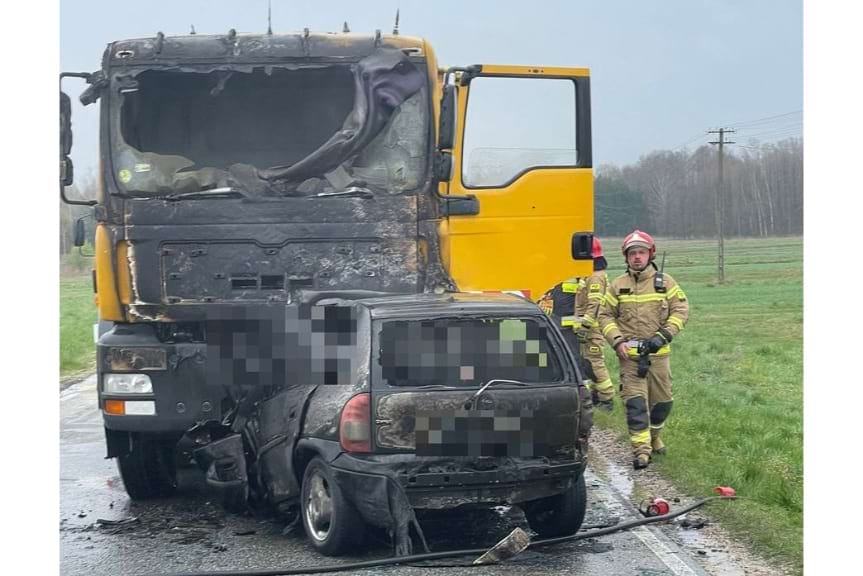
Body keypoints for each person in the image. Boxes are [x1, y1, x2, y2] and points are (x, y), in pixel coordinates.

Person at [598, 230, 689, 470]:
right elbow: (605, 316)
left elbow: (681, 311)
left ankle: (655, 435)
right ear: (626, 257)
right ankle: (641, 451)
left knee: (663, 404)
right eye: (632, 253)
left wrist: (664, 335)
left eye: (641, 252)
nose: (637, 257)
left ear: (650, 254)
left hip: (659, 357)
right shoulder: (617, 285)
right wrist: (617, 342)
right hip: (630, 358)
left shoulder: (665, 283)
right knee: (636, 404)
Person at [538, 278, 594, 450]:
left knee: (575, 369)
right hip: (547, 327)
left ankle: (582, 413)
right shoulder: (545, 272)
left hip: (566, 331)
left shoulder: (575, 274)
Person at [574, 237, 615, 411]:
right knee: (588, 363)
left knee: (595, 362)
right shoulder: (589, 275)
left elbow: (595, 304)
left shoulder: (595, 278)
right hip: (588, 328)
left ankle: (607, 398)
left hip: (593, 329)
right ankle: (596, 394)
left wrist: (585, 326)